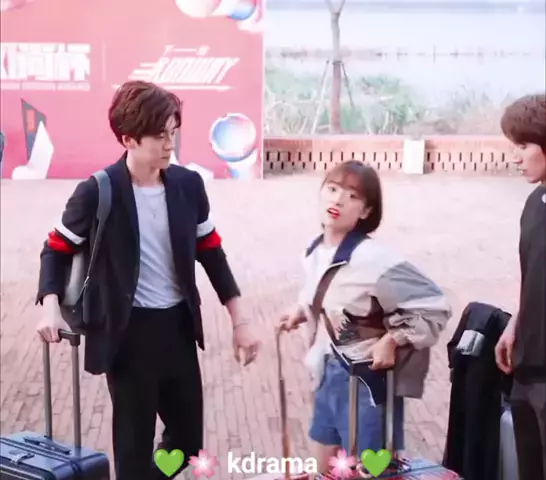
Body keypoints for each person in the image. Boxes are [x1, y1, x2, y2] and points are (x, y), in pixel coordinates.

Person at [35, 80, 261, 480]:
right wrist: (50, 308)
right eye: (160, 135)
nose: (170, 144)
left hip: (177, 328)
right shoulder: (98, 191)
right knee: (134, 451)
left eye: (173, 132)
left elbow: (211, 252)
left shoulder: (188, 186)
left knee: (186, 446)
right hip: (127, 335)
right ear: (129, 139)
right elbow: (55, 248)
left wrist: (239, 319)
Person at [280, 160, 452, 474]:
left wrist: (393, 340)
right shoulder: (315, 250)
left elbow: (434, 305)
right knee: (322, 468)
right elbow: (324, 291)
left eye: (352, 196)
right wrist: (302, 309)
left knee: (370, 471)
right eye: (332, 189)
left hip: (365, 383)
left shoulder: (375, 260)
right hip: (329, 373)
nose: (338, 200)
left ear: (366, 211)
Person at [495, 93, 546, 480]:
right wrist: (514, 324)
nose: (516, 157)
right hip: (525, 368)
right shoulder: (534, 202)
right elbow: (533, 275)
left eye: (524, 145)